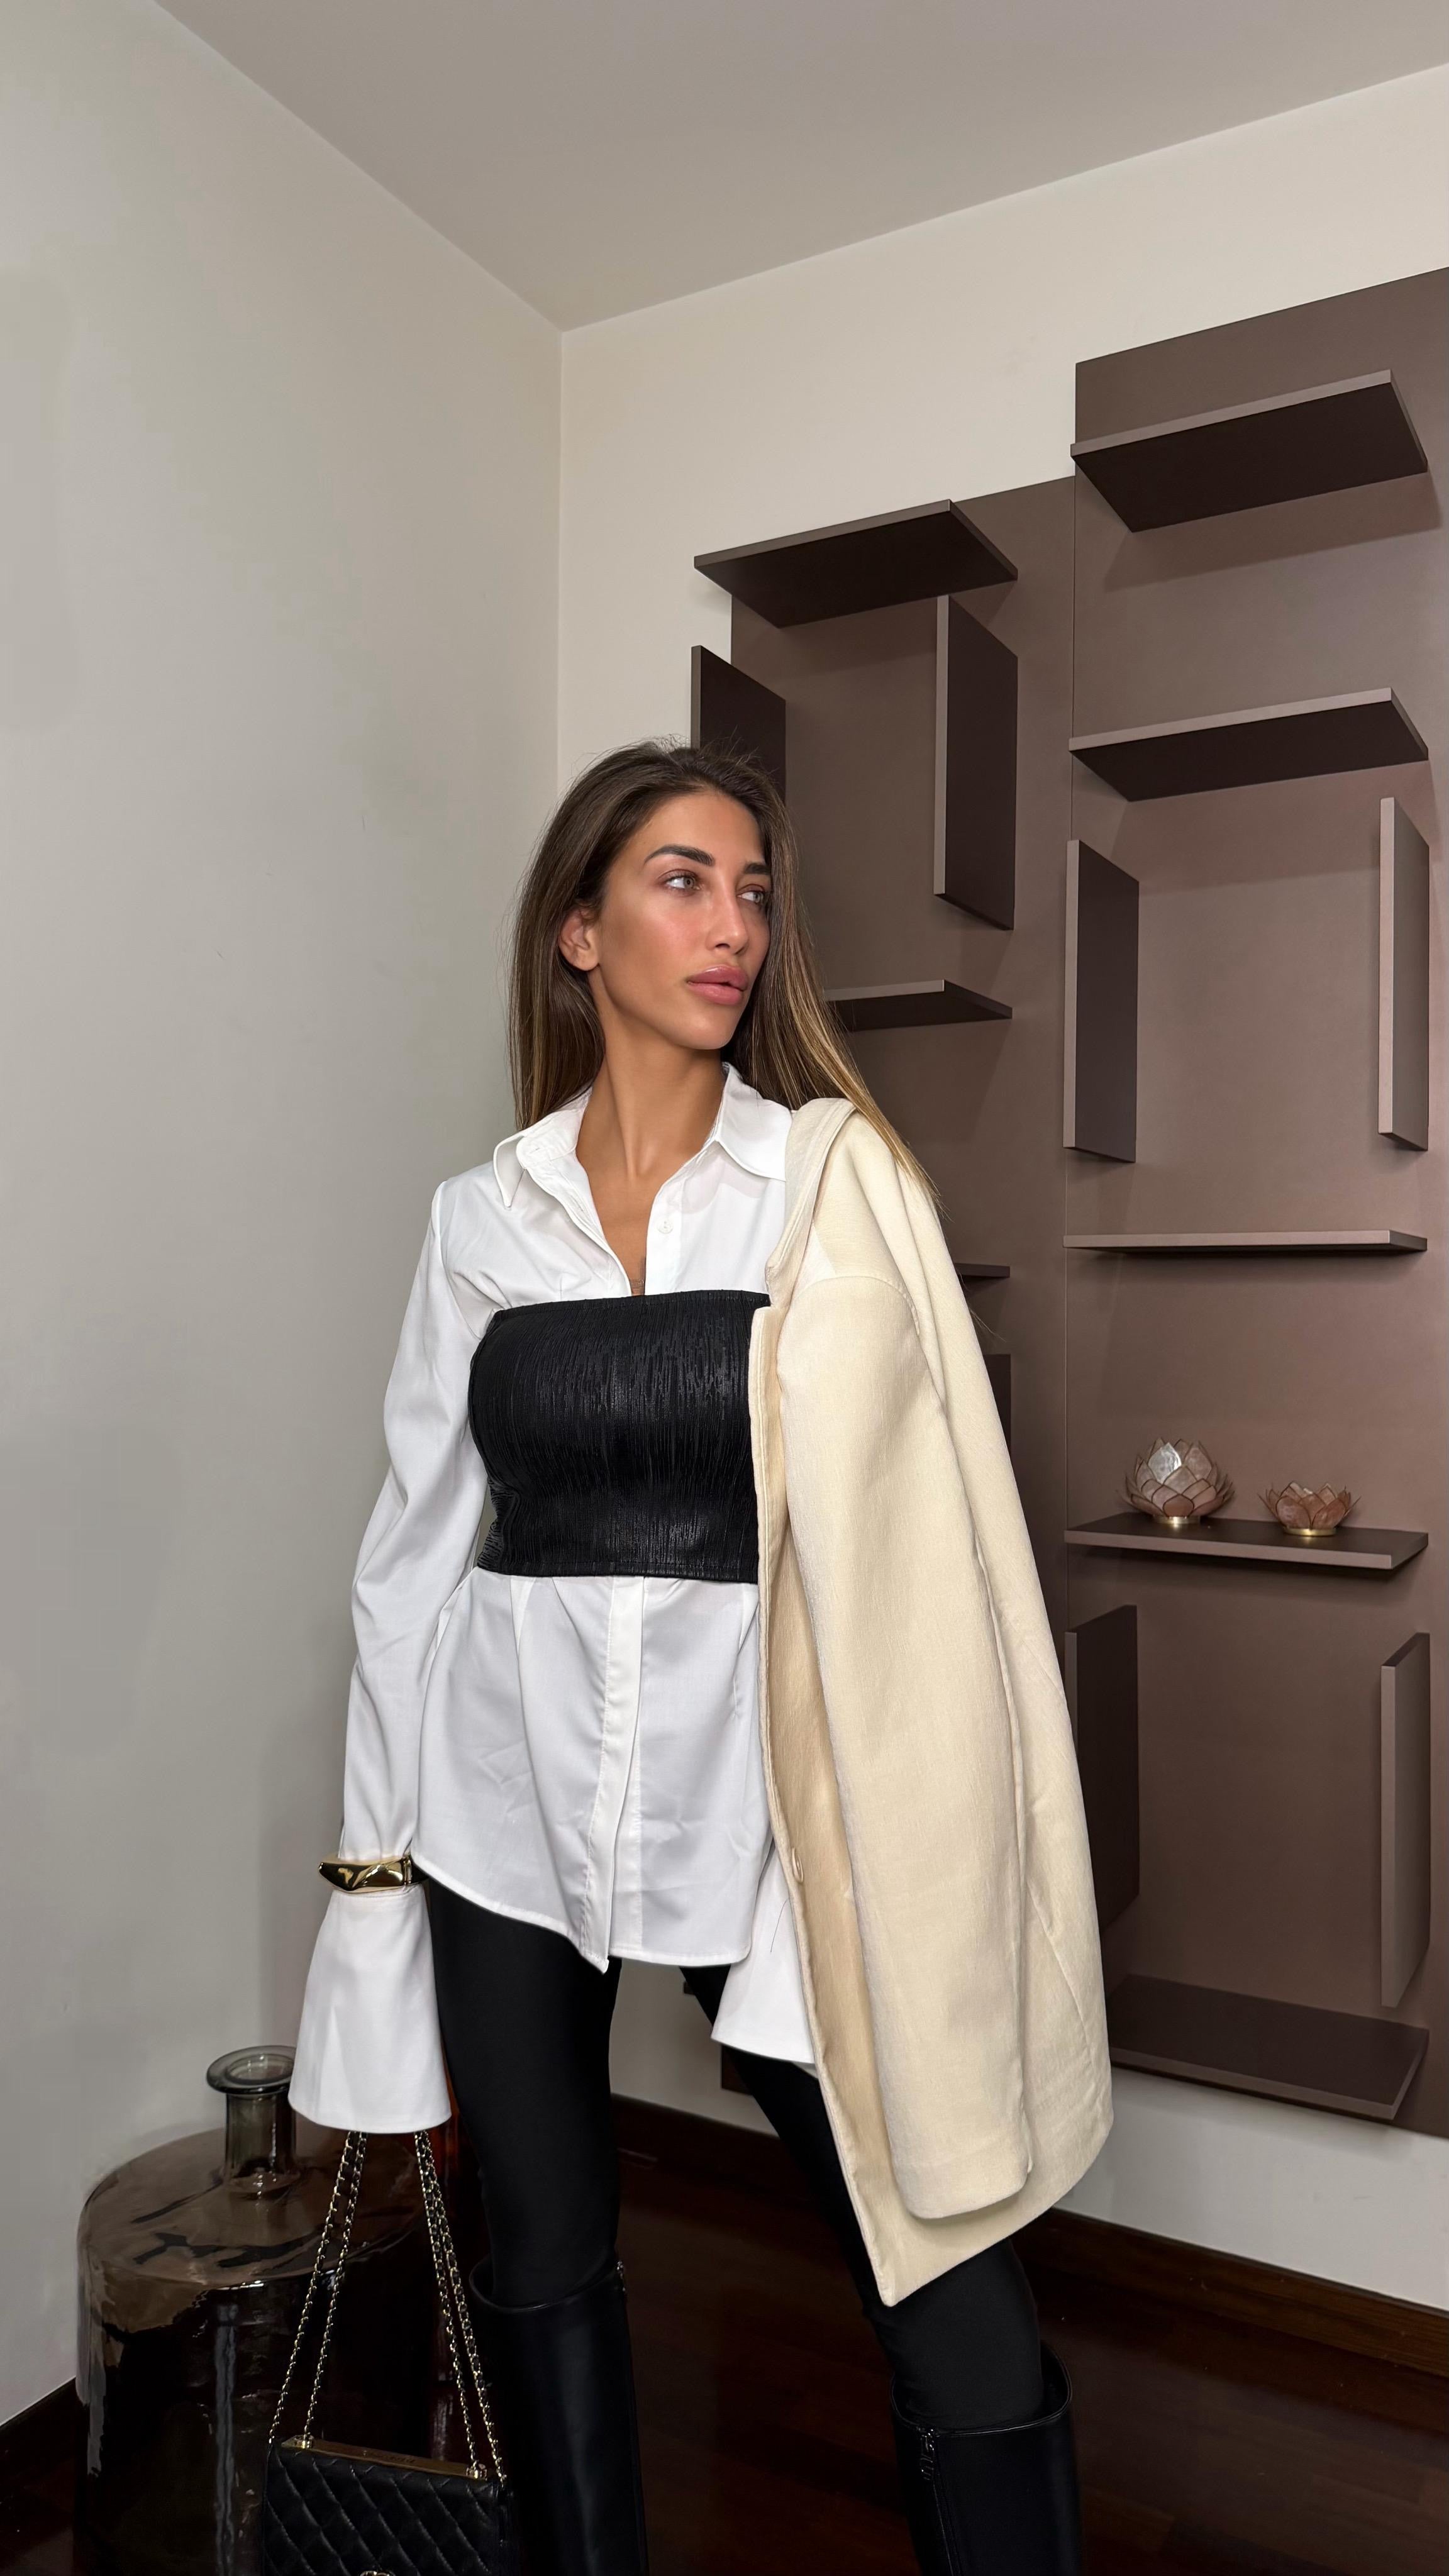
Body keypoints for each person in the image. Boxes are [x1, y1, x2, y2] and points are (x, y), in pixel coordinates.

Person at [289, 738, 1113, 2575]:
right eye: (683, 882)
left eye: (753, 891)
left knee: (941, 2266)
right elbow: (410, 1561)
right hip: (503, 1799)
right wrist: (373, 1881)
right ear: (579, 932)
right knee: (541, 2258)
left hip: (778, 1806)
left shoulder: (829, 1184)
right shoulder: (481, 1215)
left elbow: (929, 1543)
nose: (732, 926)